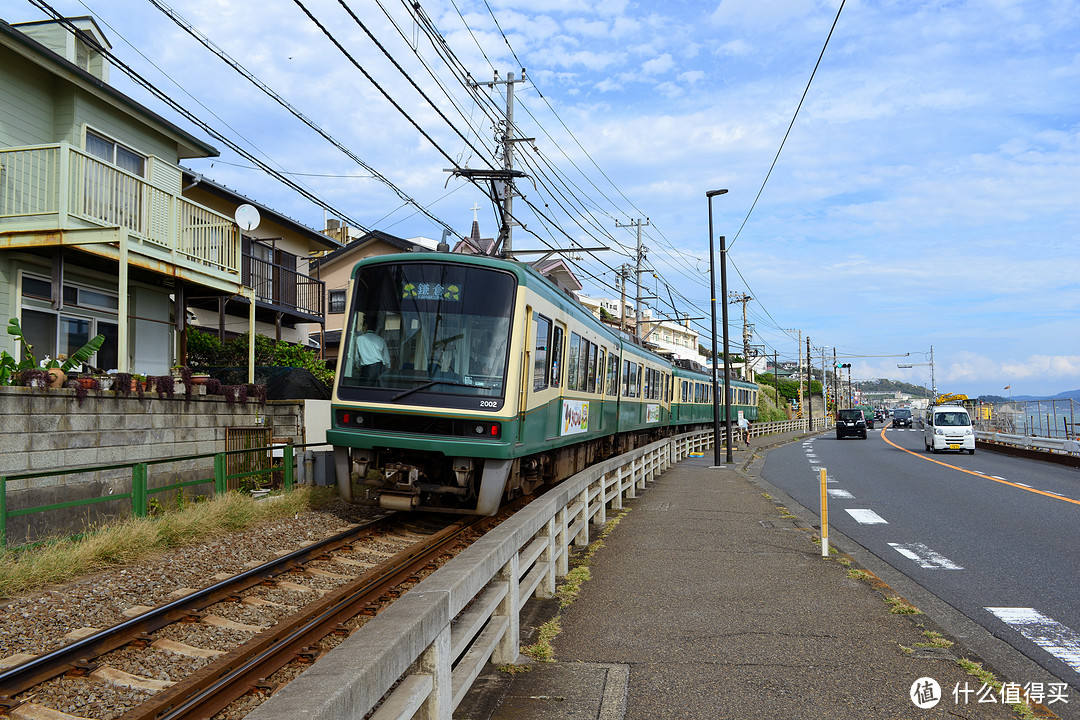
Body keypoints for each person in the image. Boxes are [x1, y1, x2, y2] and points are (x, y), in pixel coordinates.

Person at [355, 316, 390, 383]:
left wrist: (358, 367)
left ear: (365, 326)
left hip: (366, 370)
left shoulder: (359, 339)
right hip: (379, 369)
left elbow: (356, 358)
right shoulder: (381, 340)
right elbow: (387, 361)